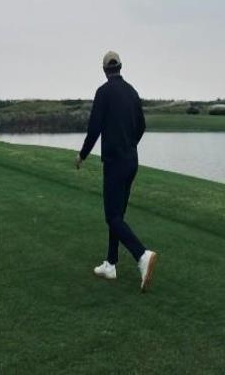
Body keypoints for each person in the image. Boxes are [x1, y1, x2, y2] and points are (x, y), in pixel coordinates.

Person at [75, 51, 157, 292]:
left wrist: (82, 155)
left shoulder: (103, 92)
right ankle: (110, 264)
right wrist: (130, 144)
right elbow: (142, 125)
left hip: (115, 163)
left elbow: (94, 129)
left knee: (111, 217)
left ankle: (142, 255)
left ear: (104, 70)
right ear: (121, 67)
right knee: (118, 215)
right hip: (131, 161)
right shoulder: (132, 92)